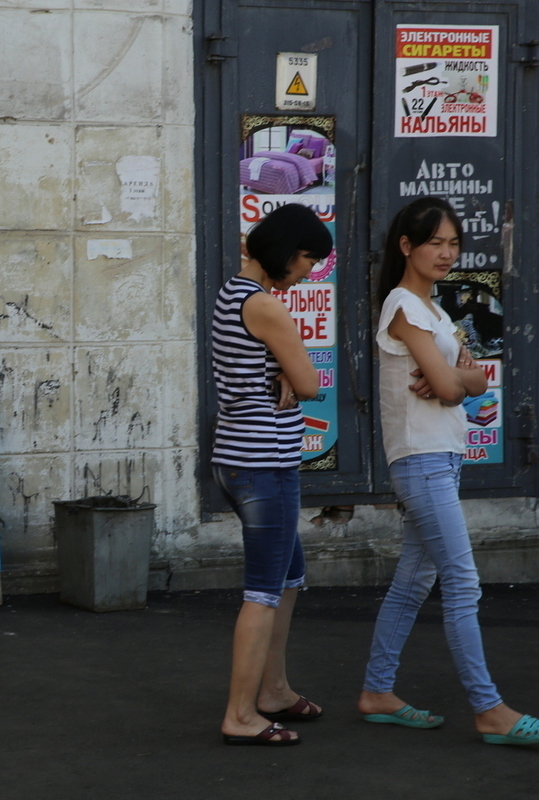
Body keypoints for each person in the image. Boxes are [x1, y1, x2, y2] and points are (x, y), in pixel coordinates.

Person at [357, 196, 539, 746]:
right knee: (462, 582)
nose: (447, 253)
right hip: (422, 458)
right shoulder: (404, 306)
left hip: (440, 455)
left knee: (415, 580)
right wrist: (459, 380)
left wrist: (461, 381)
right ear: (406, 245)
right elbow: (456, 386)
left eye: (454, 244)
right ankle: (488, 708)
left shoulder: (436, 312)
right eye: (435, 243)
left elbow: (470, 384)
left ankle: (377, 691)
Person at [212, 203, 332, 747]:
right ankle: (240, 713)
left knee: (287, 581)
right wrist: (292, 366)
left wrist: (282, 365)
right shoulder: (265, 306)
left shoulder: (230, 294)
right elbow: (310, 385)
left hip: (240, 458)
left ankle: (274, 691)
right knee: (263, 592)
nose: (310, 270)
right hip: (265, 464)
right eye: (309, 258)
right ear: (287, 250)